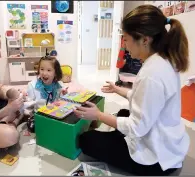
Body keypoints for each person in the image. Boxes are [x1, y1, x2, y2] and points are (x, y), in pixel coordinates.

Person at [74, 5, 190, 176]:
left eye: (126, 39)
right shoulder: (163, 60)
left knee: (86, 140)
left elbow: (137, 128)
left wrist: (98, 115)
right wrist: (117, 89)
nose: (124, 45)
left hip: (157, 160)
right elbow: (145, 101)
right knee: (121, 112)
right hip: (168, 144)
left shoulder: (152, 73)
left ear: (145, 40)